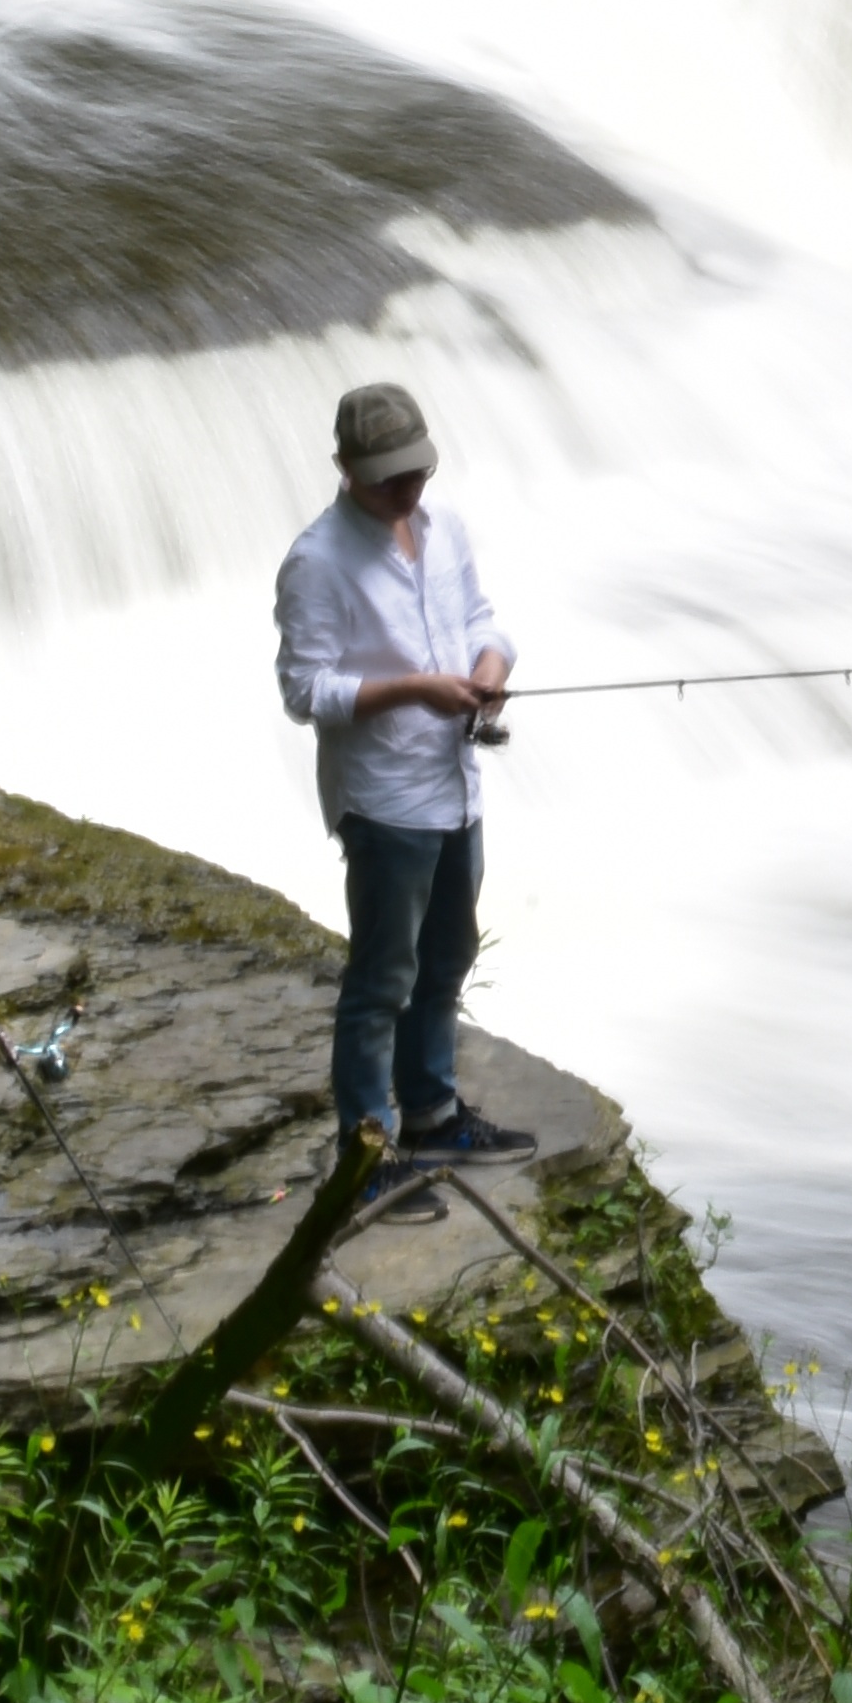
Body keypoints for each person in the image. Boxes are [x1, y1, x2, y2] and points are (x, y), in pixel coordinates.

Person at [273, 378, 525, 1171]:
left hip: (453, 786)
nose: (408, 488)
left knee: (448, 955)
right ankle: (365, 1156)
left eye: (416, 472)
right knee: (382, 979)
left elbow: (481, 620)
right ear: (348, 469)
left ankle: (432, 1111)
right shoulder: (317, 562)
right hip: (384, 801)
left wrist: (488, 666)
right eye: (390, 477)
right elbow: (305, 692)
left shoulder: (443, 530)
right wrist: (418, 688)